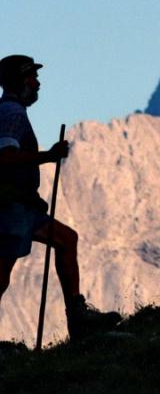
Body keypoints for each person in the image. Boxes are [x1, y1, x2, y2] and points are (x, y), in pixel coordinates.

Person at [0, 54, 121, 341]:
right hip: (11, 208)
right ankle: (78, 321)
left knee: (66, 239)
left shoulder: (9, 111)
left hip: (22, 208)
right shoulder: (11, 114)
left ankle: (78, 318)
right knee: (1, 272)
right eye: (32, 77)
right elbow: (5, 157)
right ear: (20, 81)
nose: (37, 83)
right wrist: (49, 156)